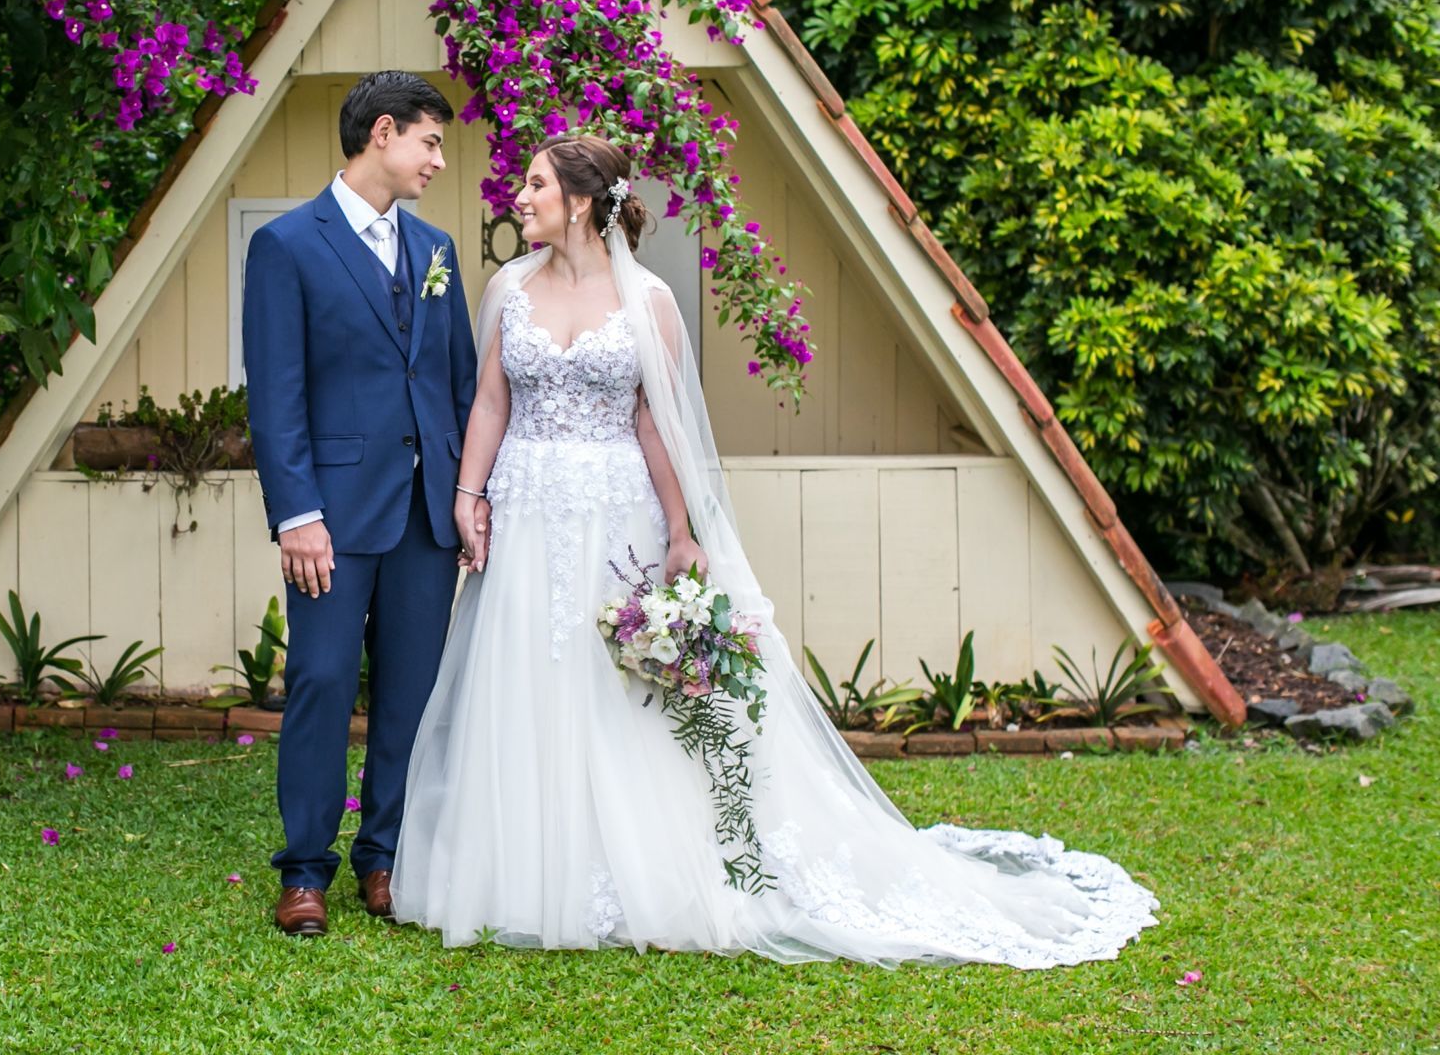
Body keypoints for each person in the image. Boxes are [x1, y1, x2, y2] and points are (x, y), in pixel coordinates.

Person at [389, 133, 1160, 968]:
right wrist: (470, 498)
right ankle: (525, 863)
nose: (519, 195)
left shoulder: (647, 303)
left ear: (579, 202)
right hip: (529, 509)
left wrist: (683, 534)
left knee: (618, 693)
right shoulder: (507, 287)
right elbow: (492, 401)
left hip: (618, 517)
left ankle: (638, 865)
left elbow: (657, 422)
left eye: (534, 184)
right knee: (527, 681)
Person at [241, 71, 478, 937]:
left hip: (424, 518)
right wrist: (296, 512)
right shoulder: (287, 246)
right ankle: (305, 869)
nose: (438, 161)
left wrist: (465, 496)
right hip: (332, 520)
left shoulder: (437, 251)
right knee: (321, 683)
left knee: (410, 693)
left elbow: (457, 385)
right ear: (383, 133)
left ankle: (386, 858)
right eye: (430, 142)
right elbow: (276, 394)